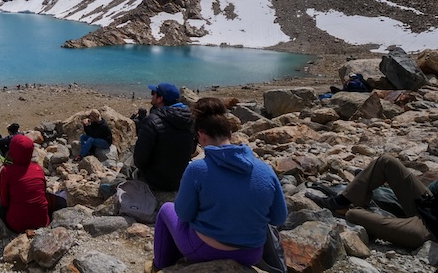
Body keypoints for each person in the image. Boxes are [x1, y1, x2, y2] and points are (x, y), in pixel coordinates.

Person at [149, 97, 287, 271]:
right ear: (230, 134)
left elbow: (183, 215)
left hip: (206, 249)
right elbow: (279, 218)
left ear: (201, 136)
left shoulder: (198, 169)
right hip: (251, 253)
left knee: (165, 210)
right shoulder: (264, 169)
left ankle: (159, 266)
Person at [306, 154, 435, 248]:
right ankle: (341, 200)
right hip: (430, 203)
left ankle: (356, 201)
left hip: (430, 229)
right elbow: (432, 189)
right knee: (386, 161)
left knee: (353, 214)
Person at [132, 82, 197, 191]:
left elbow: (139, 160)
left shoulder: (152, 121)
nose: (151, 95)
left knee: (130, 162)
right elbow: (192, 150)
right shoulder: (190, 119)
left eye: (153, 93)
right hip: (179, 180)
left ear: (160, 98)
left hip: (156, 182)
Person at [0, 134, 49, 232]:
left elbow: (4, 202)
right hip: (41, 221)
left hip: (17, 225)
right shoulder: (38, 169)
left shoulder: (7, 172)